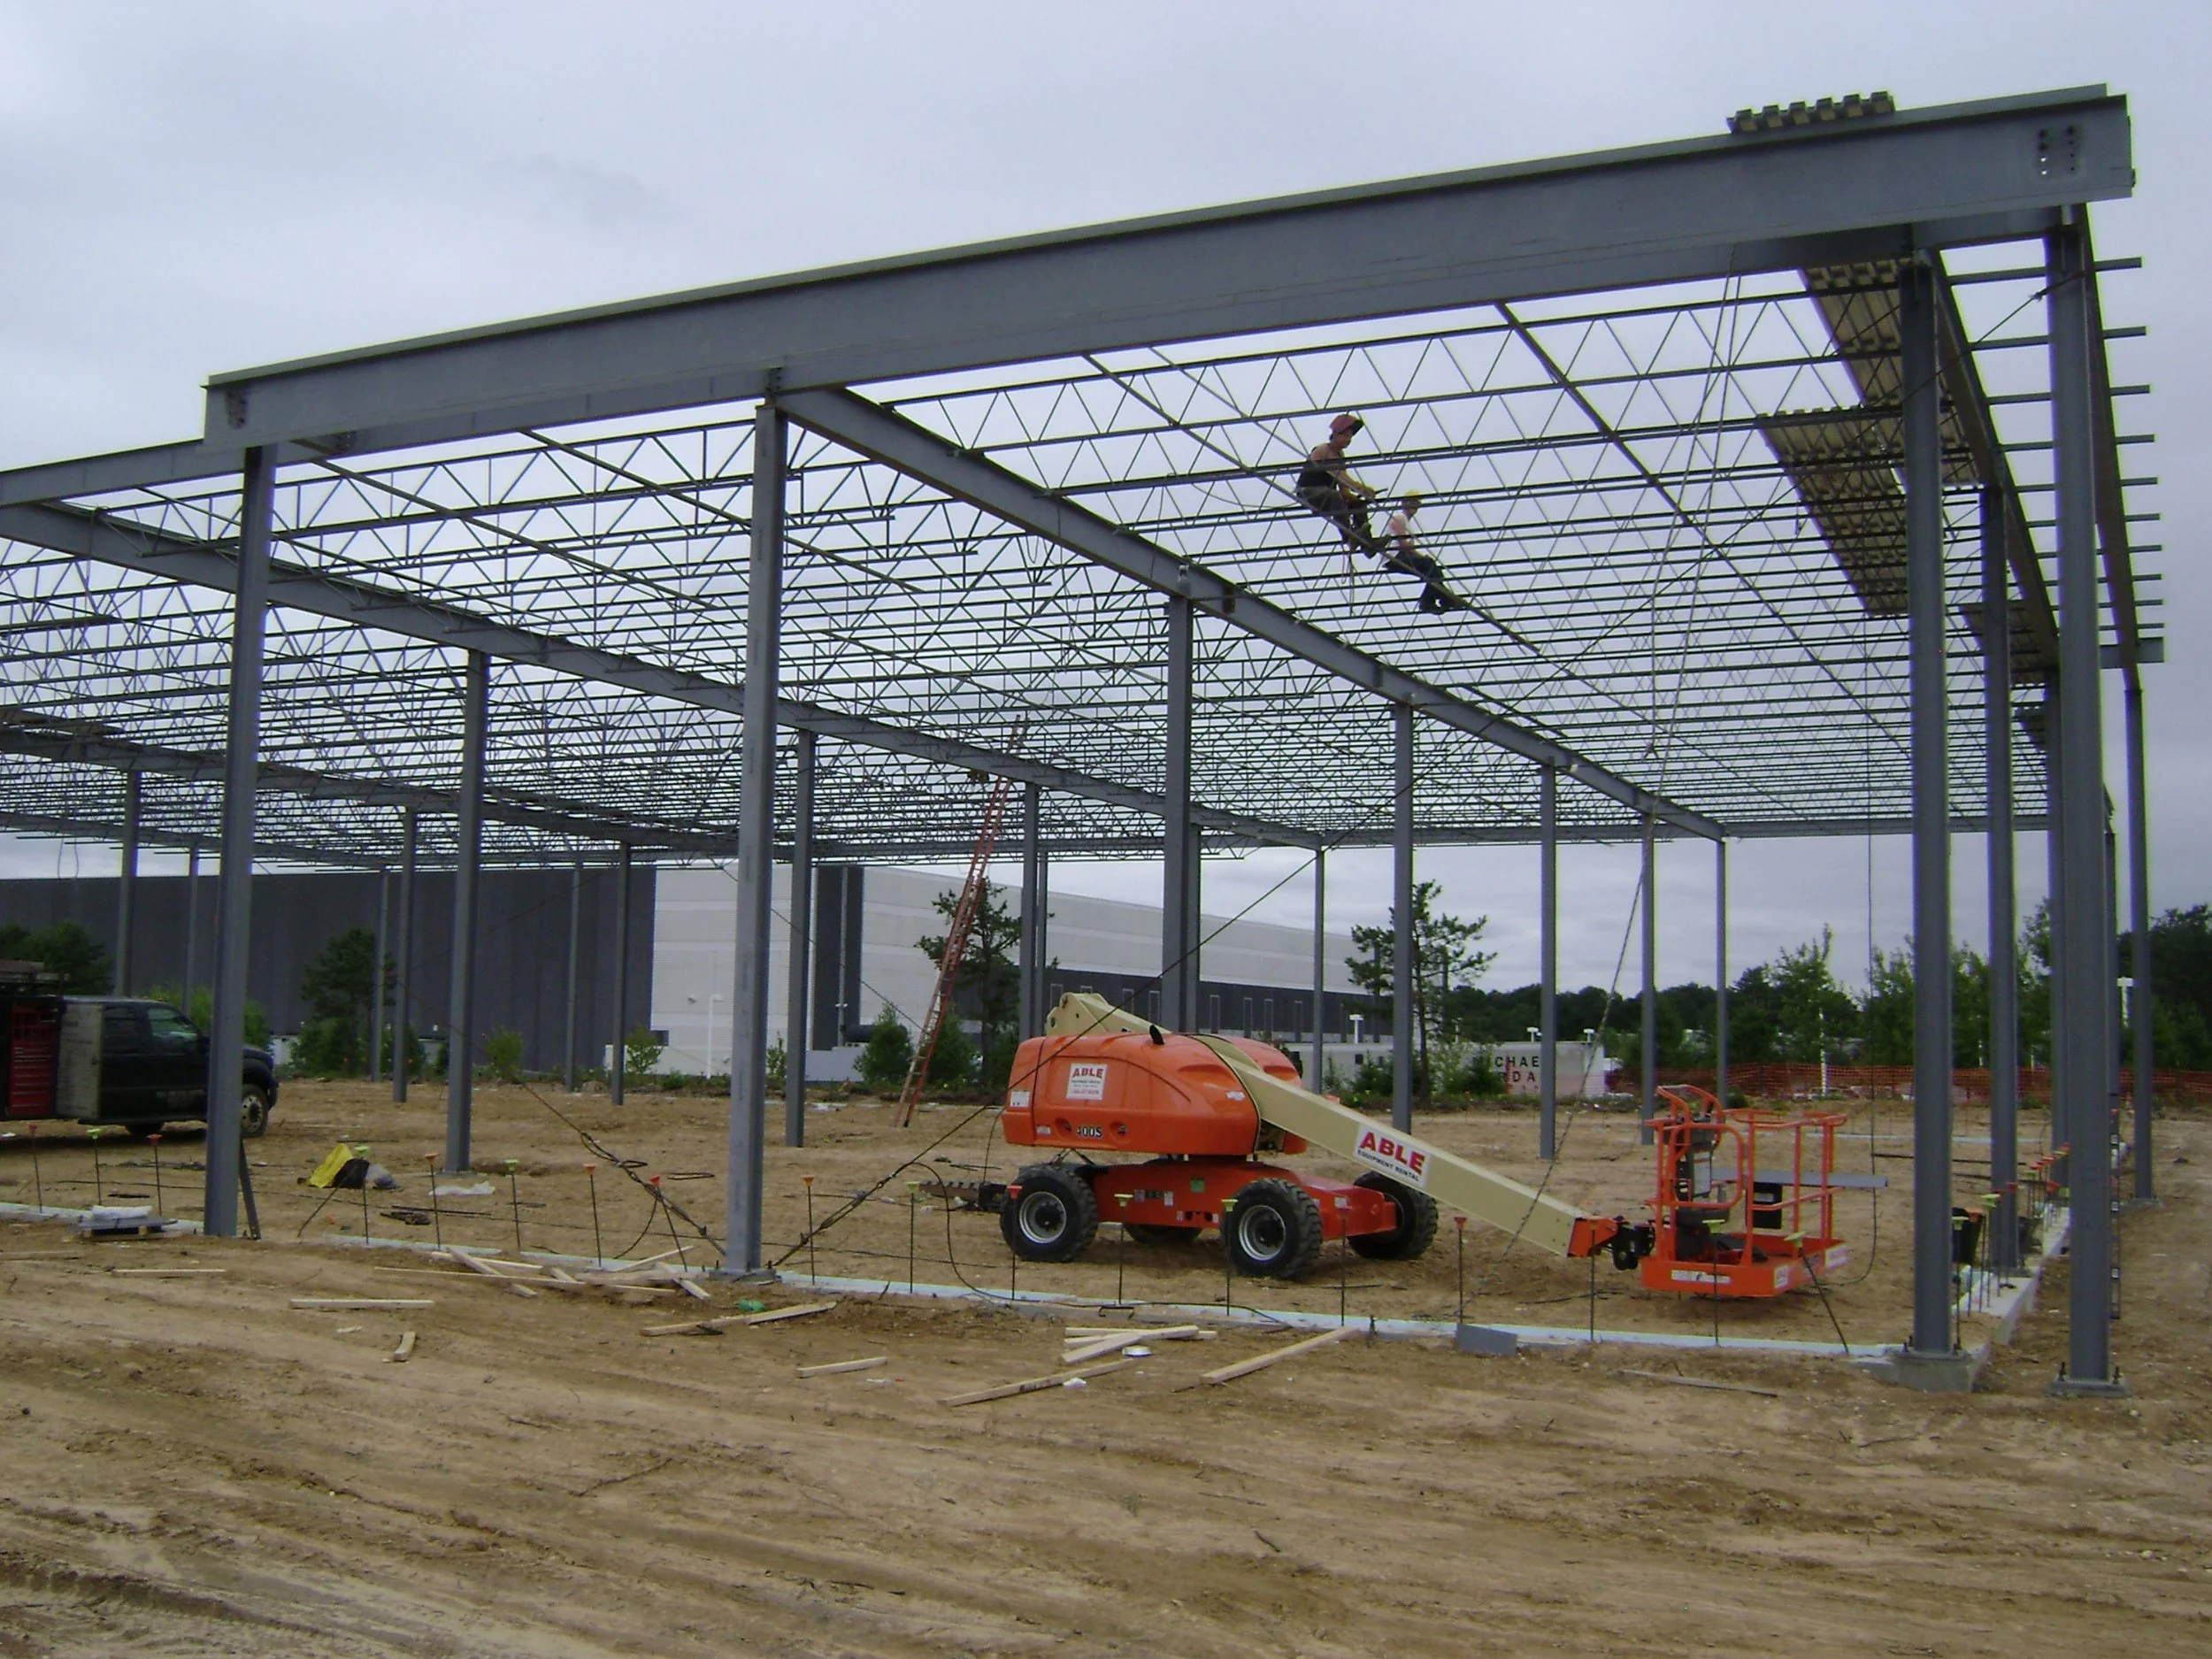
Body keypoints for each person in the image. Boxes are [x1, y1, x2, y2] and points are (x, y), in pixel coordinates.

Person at [1295, 412, 1384, 557]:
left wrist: (1356, 498)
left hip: (1327, 495)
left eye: (1350, 437)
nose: (1348, 440)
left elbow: (1344, 489)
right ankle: (1349, 536)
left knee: (1357, 504)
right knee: (1334, 496)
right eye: (1345, 435)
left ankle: (1367, 544)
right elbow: (1339, 476)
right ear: (1336, 434)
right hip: (1309, 492)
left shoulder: (1340, 456)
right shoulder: (1323, 451)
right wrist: (1361, 488)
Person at [1379, 494, 1470, 615]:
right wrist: (1419, 555)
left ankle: (1445, 599)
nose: (1414, 506)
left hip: (1399, 556)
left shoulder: (1407, 522)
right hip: (1395, 556)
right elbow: (1403, 543)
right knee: (1430, 565)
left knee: (1433, 572)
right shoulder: (1400, 517)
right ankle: (1435, 600)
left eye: (1416, 503)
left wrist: (1419, 555)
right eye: (1412, 502)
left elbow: (1407, 547)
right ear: (1404, 503)